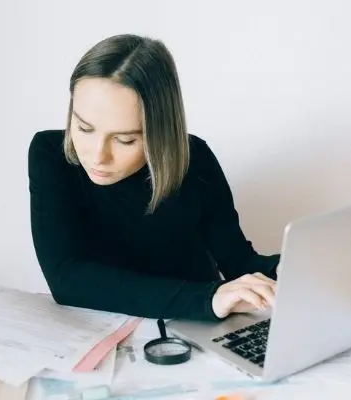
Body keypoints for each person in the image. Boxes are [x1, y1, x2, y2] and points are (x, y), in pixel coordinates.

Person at [28, 34, 280, 322]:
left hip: (192, 327)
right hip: (107, 333)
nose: (98, 156)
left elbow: (239, 262)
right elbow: (66, 279)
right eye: (84, 128)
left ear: (159, 130)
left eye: (124, 140)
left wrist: (289, 270)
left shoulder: (194, 158)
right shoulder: (50, 154)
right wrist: (208, 299)